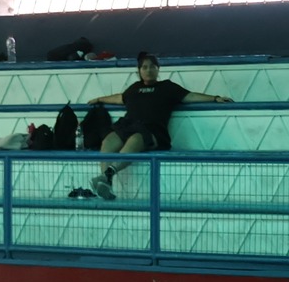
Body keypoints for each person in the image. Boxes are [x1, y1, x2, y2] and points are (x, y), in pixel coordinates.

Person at [85, 53, 232, 200]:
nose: (148, 70)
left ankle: (108, 175)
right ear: (139, 71)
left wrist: (215, 98)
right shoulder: (134, 88)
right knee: (108, 141)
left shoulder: (167, 87)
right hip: (128, 125)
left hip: (153, 130)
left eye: (152, 67)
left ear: (158, 69)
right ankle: (106, 183)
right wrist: (99, 98)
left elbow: (190, 96)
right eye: (145, 67)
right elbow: (119, 98)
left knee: (135, 139)